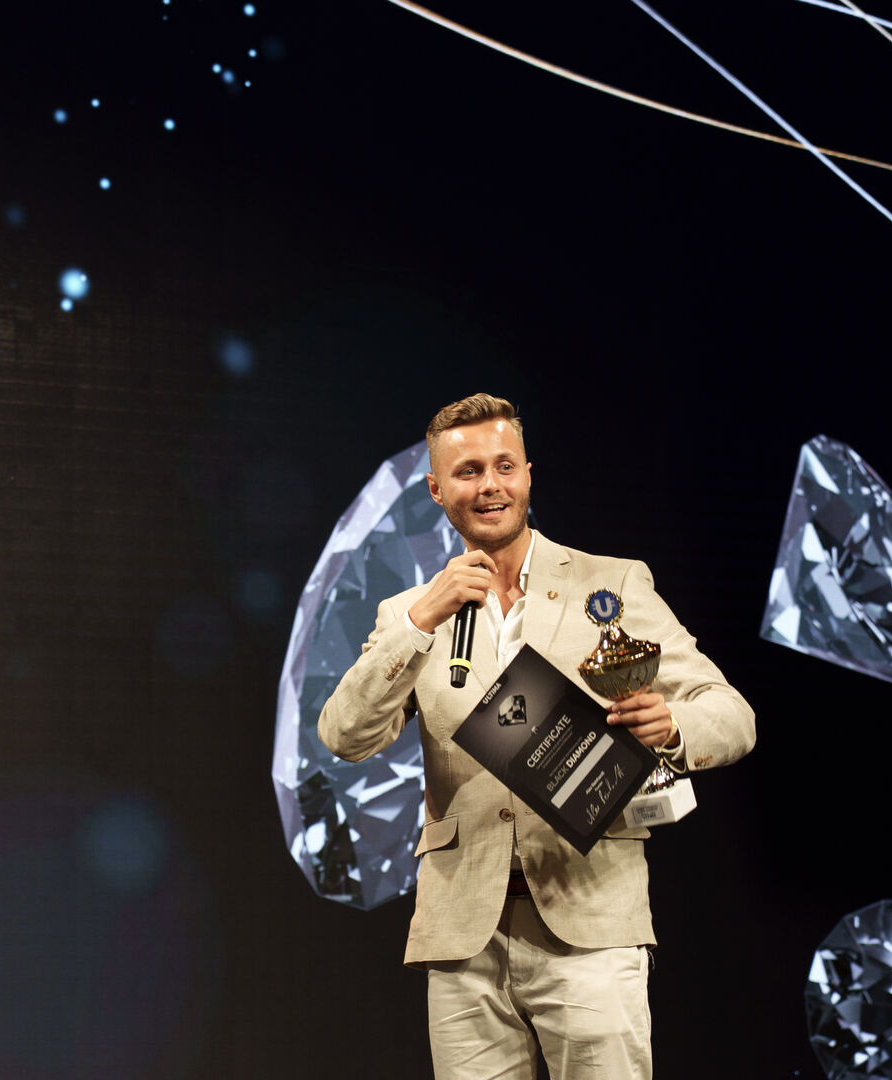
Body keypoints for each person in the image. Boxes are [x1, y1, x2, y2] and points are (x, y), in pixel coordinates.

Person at [318, 392, 754, 1079]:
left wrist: (673, 726)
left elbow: (731, 714)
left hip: (591, 917)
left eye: (504, 466)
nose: (489, 485)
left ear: (527, 475)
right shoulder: (410, 613)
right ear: (437, 490)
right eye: (467, 472)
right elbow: (344, 734)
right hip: (465, 935)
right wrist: (421, 620)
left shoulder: (612, 584)